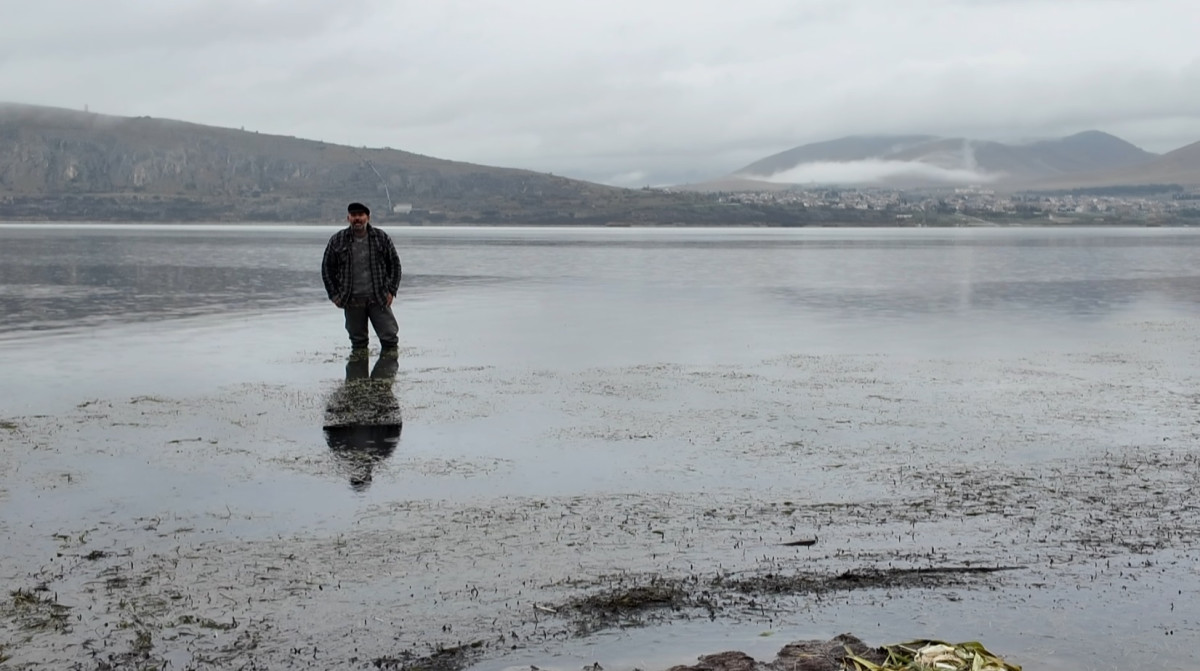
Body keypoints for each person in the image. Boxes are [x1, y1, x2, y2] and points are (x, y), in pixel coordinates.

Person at [322, 202, 402, 357]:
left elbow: (395, 265)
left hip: (379, 299)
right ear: (348, 218)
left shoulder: (381, 238)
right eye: (354, 215)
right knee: (358, 344)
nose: (357, 218)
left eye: (361, 215)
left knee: (390, 339)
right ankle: (358, 378)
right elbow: (327, 269)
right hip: (351, 300)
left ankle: (385, 379)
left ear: (368, 217)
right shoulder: (337, 240)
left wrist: (392, 290)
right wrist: (334, 295)